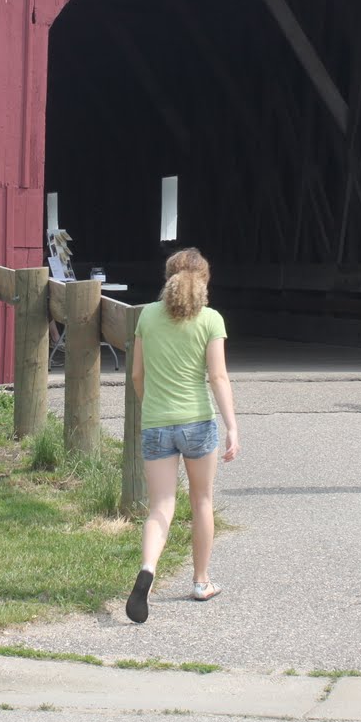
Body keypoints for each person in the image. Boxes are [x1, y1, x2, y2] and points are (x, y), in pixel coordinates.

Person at [125, 247, 239, 624]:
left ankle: (147, 569)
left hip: (156, 422)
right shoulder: (210, 320)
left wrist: (152, 407)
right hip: (198, 422)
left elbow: (137, 374)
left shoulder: (147, 316)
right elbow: (218, 377)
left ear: (168, 278)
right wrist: (232, 426)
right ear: (204, 280)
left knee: (160, 506)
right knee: (202, 501)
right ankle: (201, 581)